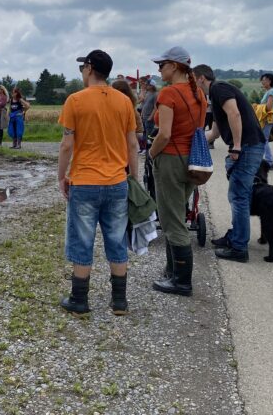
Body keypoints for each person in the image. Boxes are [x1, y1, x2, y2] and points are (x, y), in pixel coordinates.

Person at [58, 49, 138, 316]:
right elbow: (132, 143)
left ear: (90, 68)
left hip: (84, 181)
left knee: (83, 240)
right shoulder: (124, 102)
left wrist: (61, 176)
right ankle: (119, 302)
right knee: (116, 239)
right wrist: (134, 178)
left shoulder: (75, 101)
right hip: (117, 181)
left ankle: (79, 301)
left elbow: (67, 144)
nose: (82, 72)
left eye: (83, 68)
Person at [148, 46, 206, 296]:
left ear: (174, 66)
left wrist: (151, 154)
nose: (159, 69)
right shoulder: (199, 94)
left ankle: (182, 281)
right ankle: (172, 271)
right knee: (178, 214)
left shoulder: (169, 94)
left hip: (171, 158)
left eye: (161, 65)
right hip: (192, 161)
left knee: (171, 221)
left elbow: (165, 134)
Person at [194, 65, 265, 262]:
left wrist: (236, 145)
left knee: (239, 196)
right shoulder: (214, 96)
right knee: (238, 195)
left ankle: (239, 248)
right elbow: (215, 132)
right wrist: (194, 141)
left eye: (193, 79)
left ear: (200, 78)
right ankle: (235, 236)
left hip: (248, 146)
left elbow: (234, 114)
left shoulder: (219, 88)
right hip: (249, 146)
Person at [112, 79, 145, 155]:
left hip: (124, 148)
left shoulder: (129, 109)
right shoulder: (131, 107)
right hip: (124, 148)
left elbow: (139, 133)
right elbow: (140, 133)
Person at [259, 73, 273, 169]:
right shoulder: (270, 91)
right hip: (267, 118)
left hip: (268, 118)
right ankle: (266, 160)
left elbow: (268, 107)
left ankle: (269, 162)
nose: (262, 82)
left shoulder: (271, 92)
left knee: (264, 139)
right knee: (263, 139)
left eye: (264, 80)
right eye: (262, 80)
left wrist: (257, 107)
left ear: (269, 81)